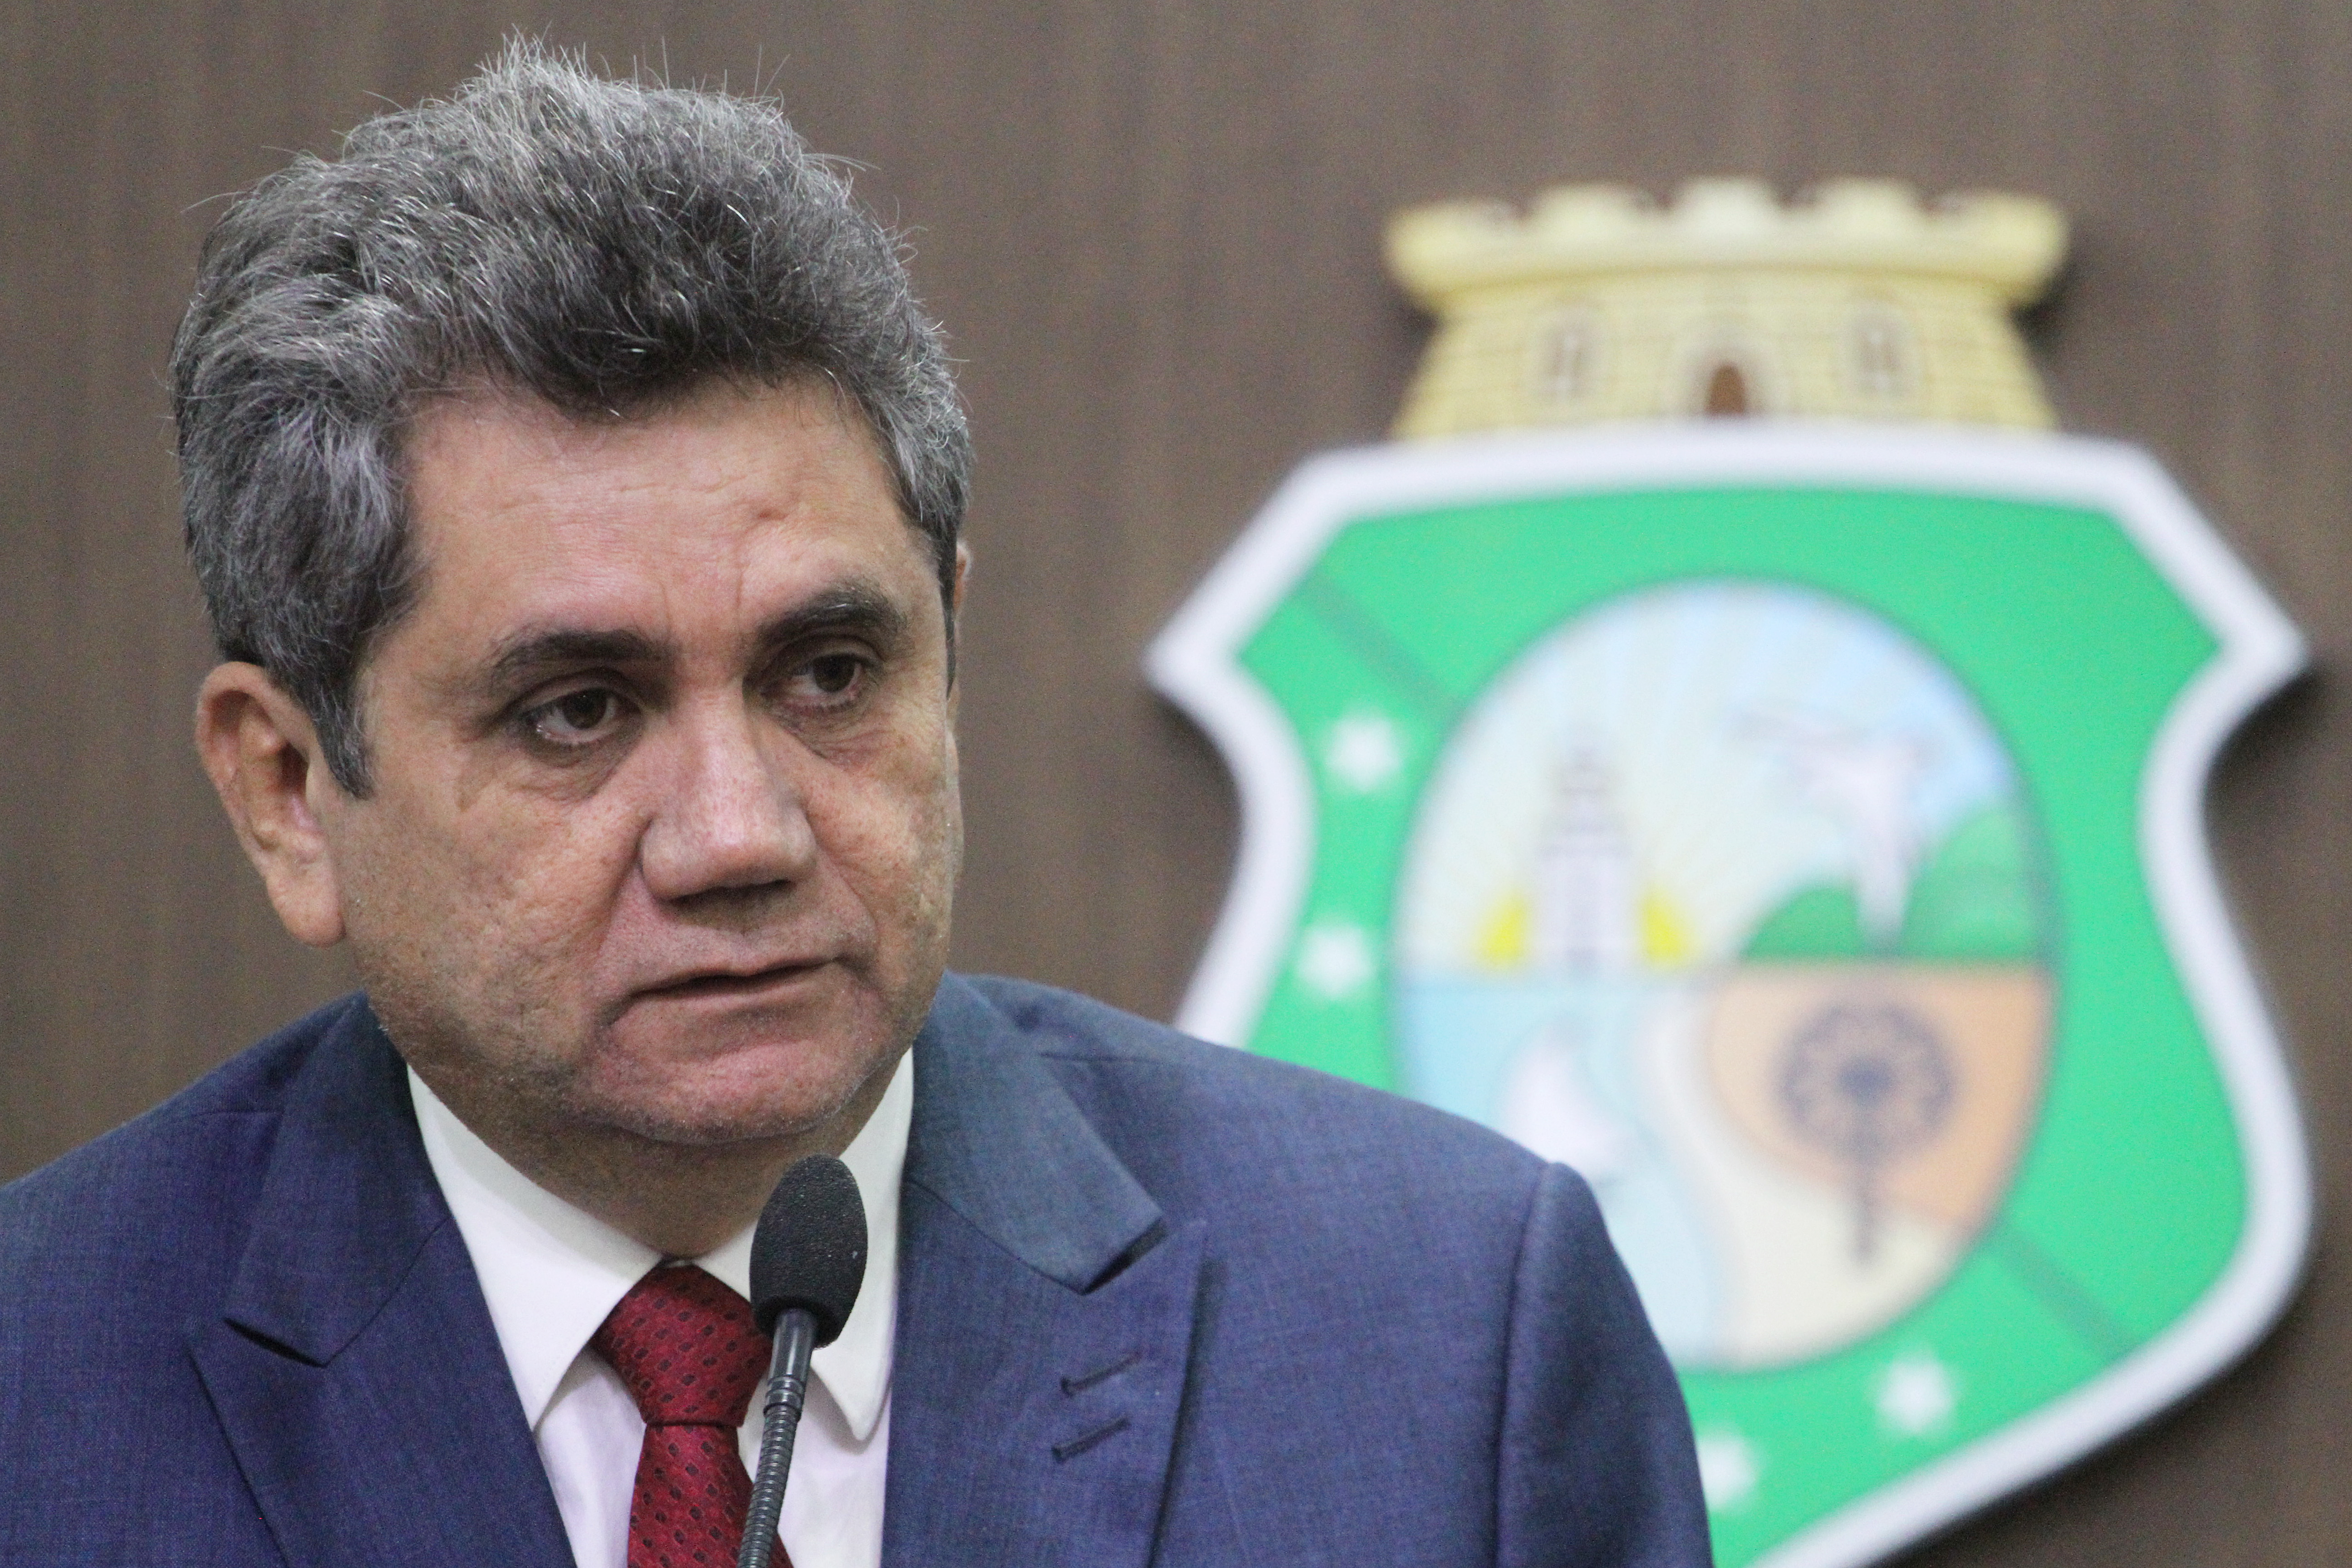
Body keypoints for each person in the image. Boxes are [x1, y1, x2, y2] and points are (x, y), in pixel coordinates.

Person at [0, 43, 1709, 1568]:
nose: (741, 836)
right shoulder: (37, 1391)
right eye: (578, 712)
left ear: (945, 649)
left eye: (828, 674)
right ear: (289, 791)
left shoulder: (1448, 1336)